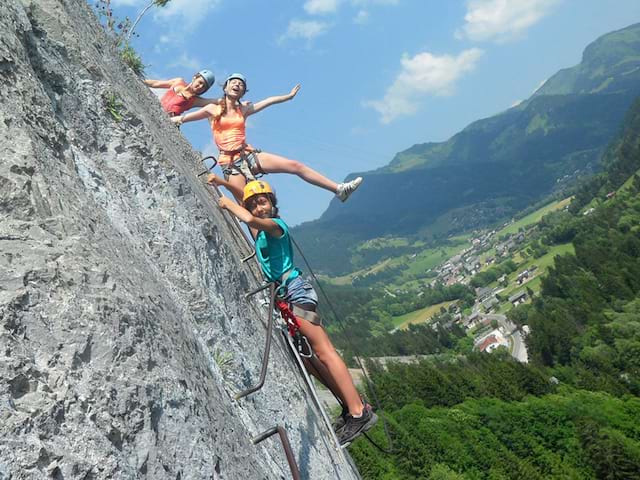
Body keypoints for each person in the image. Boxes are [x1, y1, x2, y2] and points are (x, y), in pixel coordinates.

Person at [212, 176, 377, 446]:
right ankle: (352, 408)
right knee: (310, 361)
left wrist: (228, 204)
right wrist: (220, 181)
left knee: (323, 351)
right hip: (286, 298)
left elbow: (251, 219)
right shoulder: (261, 233)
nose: (258, 207)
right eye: (254, 204)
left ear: (273, 204)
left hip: (297, 294)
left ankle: (359, 412)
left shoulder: (276, 227)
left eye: (263, 201)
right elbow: (246, 201)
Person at [173, 73, 362, 204]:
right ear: (226, 86)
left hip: (248, 154)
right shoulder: (212, 109)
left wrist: (287, 97)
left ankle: (339, 189)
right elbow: (184, 117)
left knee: (295, 165)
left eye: (241, 85)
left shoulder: (243, 109)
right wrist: (172, 115)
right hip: (228, 162)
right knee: (245, 204)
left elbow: (268, 101)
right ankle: (261, 256)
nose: (237, 85)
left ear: (243, 92)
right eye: (234, 82)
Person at [144, 69, 217, 117]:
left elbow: (217, 101)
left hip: (166, 121)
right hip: (154, 109)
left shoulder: (195, 100)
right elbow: (156, 83)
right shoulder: (178, 82)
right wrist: (138, 79)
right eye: (200, 82)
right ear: (195, 77)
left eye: (204, 87)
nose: (200, 86)